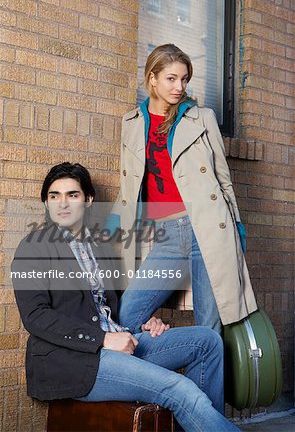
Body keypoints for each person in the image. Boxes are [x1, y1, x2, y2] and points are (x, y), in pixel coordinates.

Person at [11, 162, 240, 432]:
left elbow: (111, 307)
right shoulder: (33, 247)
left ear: (88, 200)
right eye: (54, 196)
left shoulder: (100, 247)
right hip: (77, 360)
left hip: (122, 344)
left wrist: (148, 322)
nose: (63, 203)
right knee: (179, 388)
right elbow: (36, 317)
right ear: (46, 204)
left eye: (72, 195)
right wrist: (104, 339)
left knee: (208, 341)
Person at [107, 43, 257, 334]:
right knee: (128, 314)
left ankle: (205, 381)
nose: (179, 86)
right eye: (171, 78)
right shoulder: (132, 123)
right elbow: (128, 186)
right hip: (166, 235)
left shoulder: (201, 118)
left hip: (207, 227)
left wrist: (236, 229)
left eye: (184, 79)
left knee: (209, 327)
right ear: (152, 78)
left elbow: (223, 180)